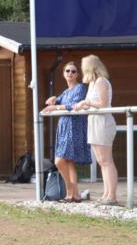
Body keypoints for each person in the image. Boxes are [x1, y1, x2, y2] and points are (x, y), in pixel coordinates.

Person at [74, 55, 118, 204]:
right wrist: (82, 105)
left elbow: (103, 104)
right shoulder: (92, 83)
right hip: (93, 121)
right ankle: (106, 194)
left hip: (103, 122)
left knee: (107, 161)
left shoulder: (101, 81)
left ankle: (112, 195)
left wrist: (87, 102)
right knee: (101, 161)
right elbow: (92, 103)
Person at [43, 61, 90, 201]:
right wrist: (52, 101)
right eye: (68, 71)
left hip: (73, 127)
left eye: (73, 71)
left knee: (59, 161)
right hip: (64, 126)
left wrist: (55, 108)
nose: (70, 73)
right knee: (68, 161)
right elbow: (56, 102)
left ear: (77, 74)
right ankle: (74, 194)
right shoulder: (66, 91)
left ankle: (69, 189)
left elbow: (72, 106)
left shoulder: (80, 88)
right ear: (63, 73)